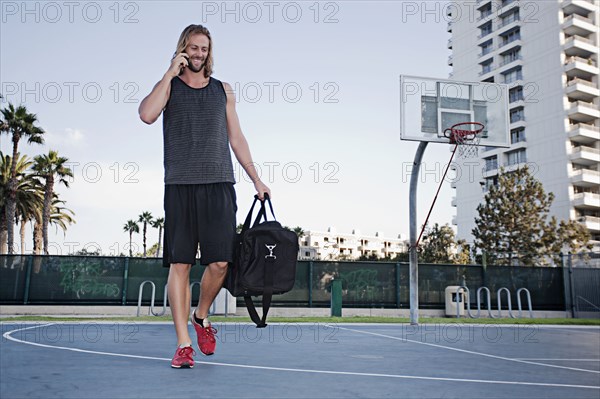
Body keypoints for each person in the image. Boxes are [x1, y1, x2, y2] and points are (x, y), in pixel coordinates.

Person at [138, 24, 270, 369]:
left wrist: (256, 178)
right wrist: (169, 72)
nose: (198, 54)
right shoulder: (169, 88)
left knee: (221, 262)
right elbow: (146, 114)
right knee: (180, 264)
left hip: (219, 184)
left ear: (209, 53)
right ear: (183, 49)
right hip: (180, 186)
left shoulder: (223, 91)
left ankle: (201, 315)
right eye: (193, 48)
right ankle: (183, 345)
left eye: (204, 49)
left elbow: (237, 139)